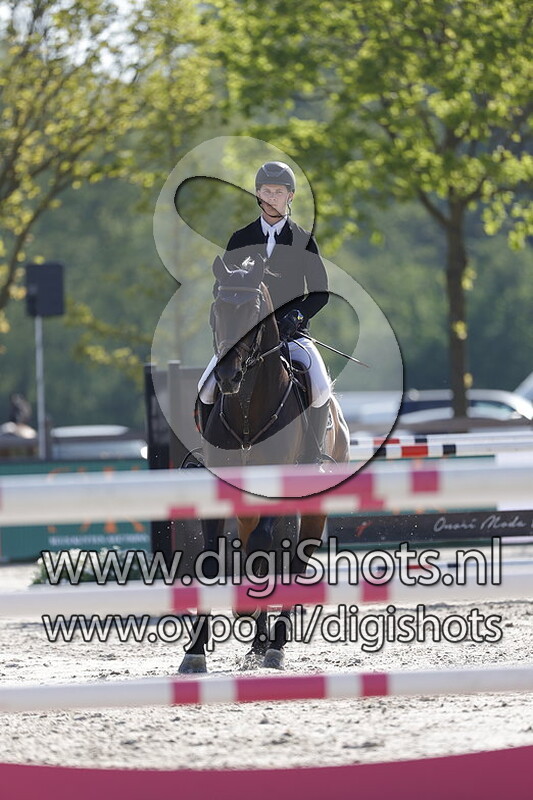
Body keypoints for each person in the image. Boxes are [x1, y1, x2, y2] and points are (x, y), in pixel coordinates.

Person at [198, 160, 332, 461]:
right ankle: (208, 456)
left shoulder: (303, 240)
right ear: (258, 195)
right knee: (205, 388)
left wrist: (295, 317)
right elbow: (222, 286)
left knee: (320, 385)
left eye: (278, 192)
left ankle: (313, 458)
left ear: (290, 196)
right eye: (266, 191)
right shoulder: (240, 239)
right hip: (242, 339)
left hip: (291, 335)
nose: (272, 197)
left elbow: (320, 292)